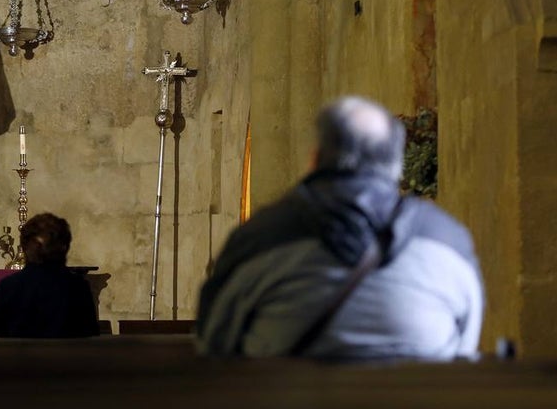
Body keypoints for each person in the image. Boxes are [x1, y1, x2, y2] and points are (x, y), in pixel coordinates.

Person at [195, 95, 484, 361]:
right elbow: (465, 345)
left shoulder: (260, 236)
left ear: (315, 159)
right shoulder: (447, 238)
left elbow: (214, 343)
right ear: (397, 164)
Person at [0, 213, 100, 338]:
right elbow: (90, 337)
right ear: (65, 247)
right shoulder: (78, 287)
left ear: (24, 247)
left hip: (18, 357)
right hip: (67, 357)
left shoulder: (9, 287)